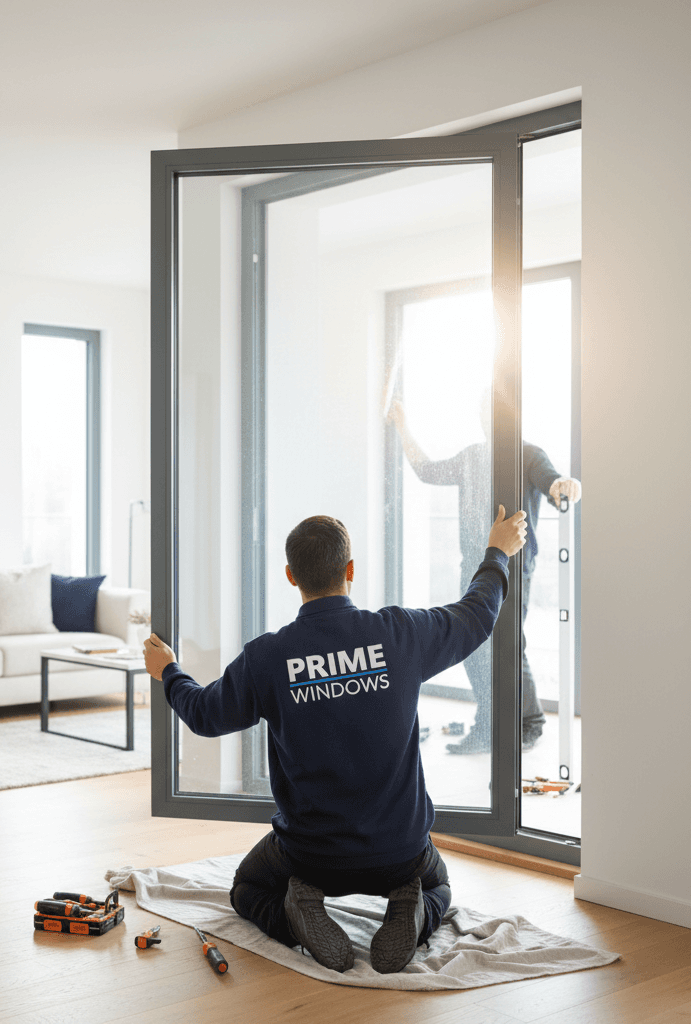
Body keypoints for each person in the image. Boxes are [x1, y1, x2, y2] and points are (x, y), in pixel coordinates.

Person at [144, 508, 527, 974]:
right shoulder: (400, 634)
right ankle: (413, 908)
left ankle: (294, 914)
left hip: (310, 856)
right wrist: (497, 553)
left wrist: (168, 671)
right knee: (439, 887)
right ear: (350, 570)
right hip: (401, 852)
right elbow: (477, 614)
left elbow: (203, 714)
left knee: (247, 888)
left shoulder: (270, 656)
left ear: (290, 576)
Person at [387, 395, 582, 753]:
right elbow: (427, 470)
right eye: (483, 413)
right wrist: (402, 426)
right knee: (474, 645)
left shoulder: (529, 454)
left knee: (507, 641)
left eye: (493, 414)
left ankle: (529, 722)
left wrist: (565, 487)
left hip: (513, 564)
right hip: (475, 564)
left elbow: (553, 484)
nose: (486, 419)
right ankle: (492, 724)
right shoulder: (472, 456)